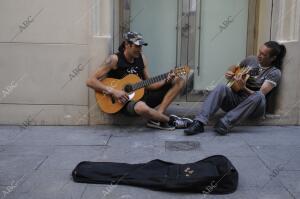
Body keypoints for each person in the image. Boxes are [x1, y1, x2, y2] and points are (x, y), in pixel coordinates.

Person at [86, 31, 192, 130]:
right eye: (137, 46)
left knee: (179, 80)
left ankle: (157, 117)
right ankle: (171, 121)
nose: (140, 49)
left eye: (141, 46)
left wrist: (166, 81)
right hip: (123, 103)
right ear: (127, 45)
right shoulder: (115, 59)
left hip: (143, 95)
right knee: (141, 107)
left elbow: (149, 85)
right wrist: (114, 91)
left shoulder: (142, 58)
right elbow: (90, 81)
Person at [184, 41, 286, 136]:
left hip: (254, 107)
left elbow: (261, 94)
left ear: (272, 58)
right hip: (237, 99)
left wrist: (244, 88)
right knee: (221, 87)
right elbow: (234, 67)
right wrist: (230, 73)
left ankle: (225, 123)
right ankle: (199, 122)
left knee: (259, 95)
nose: (259, 55)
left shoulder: (274, 72)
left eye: (263, 54)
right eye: (259, 51)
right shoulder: (251, 60)